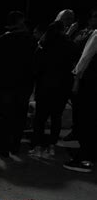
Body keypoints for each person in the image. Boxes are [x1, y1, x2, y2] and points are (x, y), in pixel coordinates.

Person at [0, 11, 36, 157]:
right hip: (23, 85)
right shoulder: (31, 40)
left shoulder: (1, 41)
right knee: (19, 117)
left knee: (5, 117)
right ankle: (14, 146)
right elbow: (34, 64)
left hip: (6, 85)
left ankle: (3, 148)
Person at [29, 21, 78, 158]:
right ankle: (51, 146)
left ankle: (37, 146)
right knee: (56, 117)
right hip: (62, 86)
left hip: (45, 85)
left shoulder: (44, 45)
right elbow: (75, 64)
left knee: (40, 117)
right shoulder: (70, 45)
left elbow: (36, 67)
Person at [63, 30, 97, 172]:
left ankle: (84, 159)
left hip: (92, 81)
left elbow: (86, 57)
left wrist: (76, 78)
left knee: (87, 120)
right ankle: (89, 155)